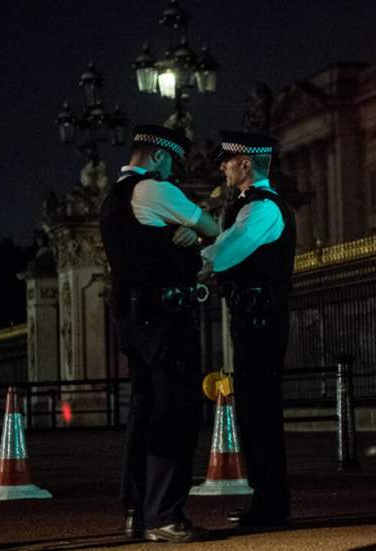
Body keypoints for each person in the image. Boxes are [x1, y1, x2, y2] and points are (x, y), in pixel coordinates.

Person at [99, 125, 219, 543]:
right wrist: (188, 240)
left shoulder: (113, 197)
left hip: (132, 318)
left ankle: (136, 508)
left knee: (144, 410)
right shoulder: (153, 190)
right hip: (165, 315)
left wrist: (176, 238)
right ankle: (165, 514)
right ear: (158, 156)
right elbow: (211, 225)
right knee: (174, 411)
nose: (173, 171)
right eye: (171, 162)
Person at [199, 130, 296, 528]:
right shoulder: (247, 205)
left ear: (245, 163)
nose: (222, 166)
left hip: (262, 317)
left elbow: (229, 249)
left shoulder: (264, 208)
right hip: (251, 315)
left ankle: (273, 505)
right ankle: (266, 500)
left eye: (227, 160)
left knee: (261, 412)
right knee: (253, 411)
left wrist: (189, 262)